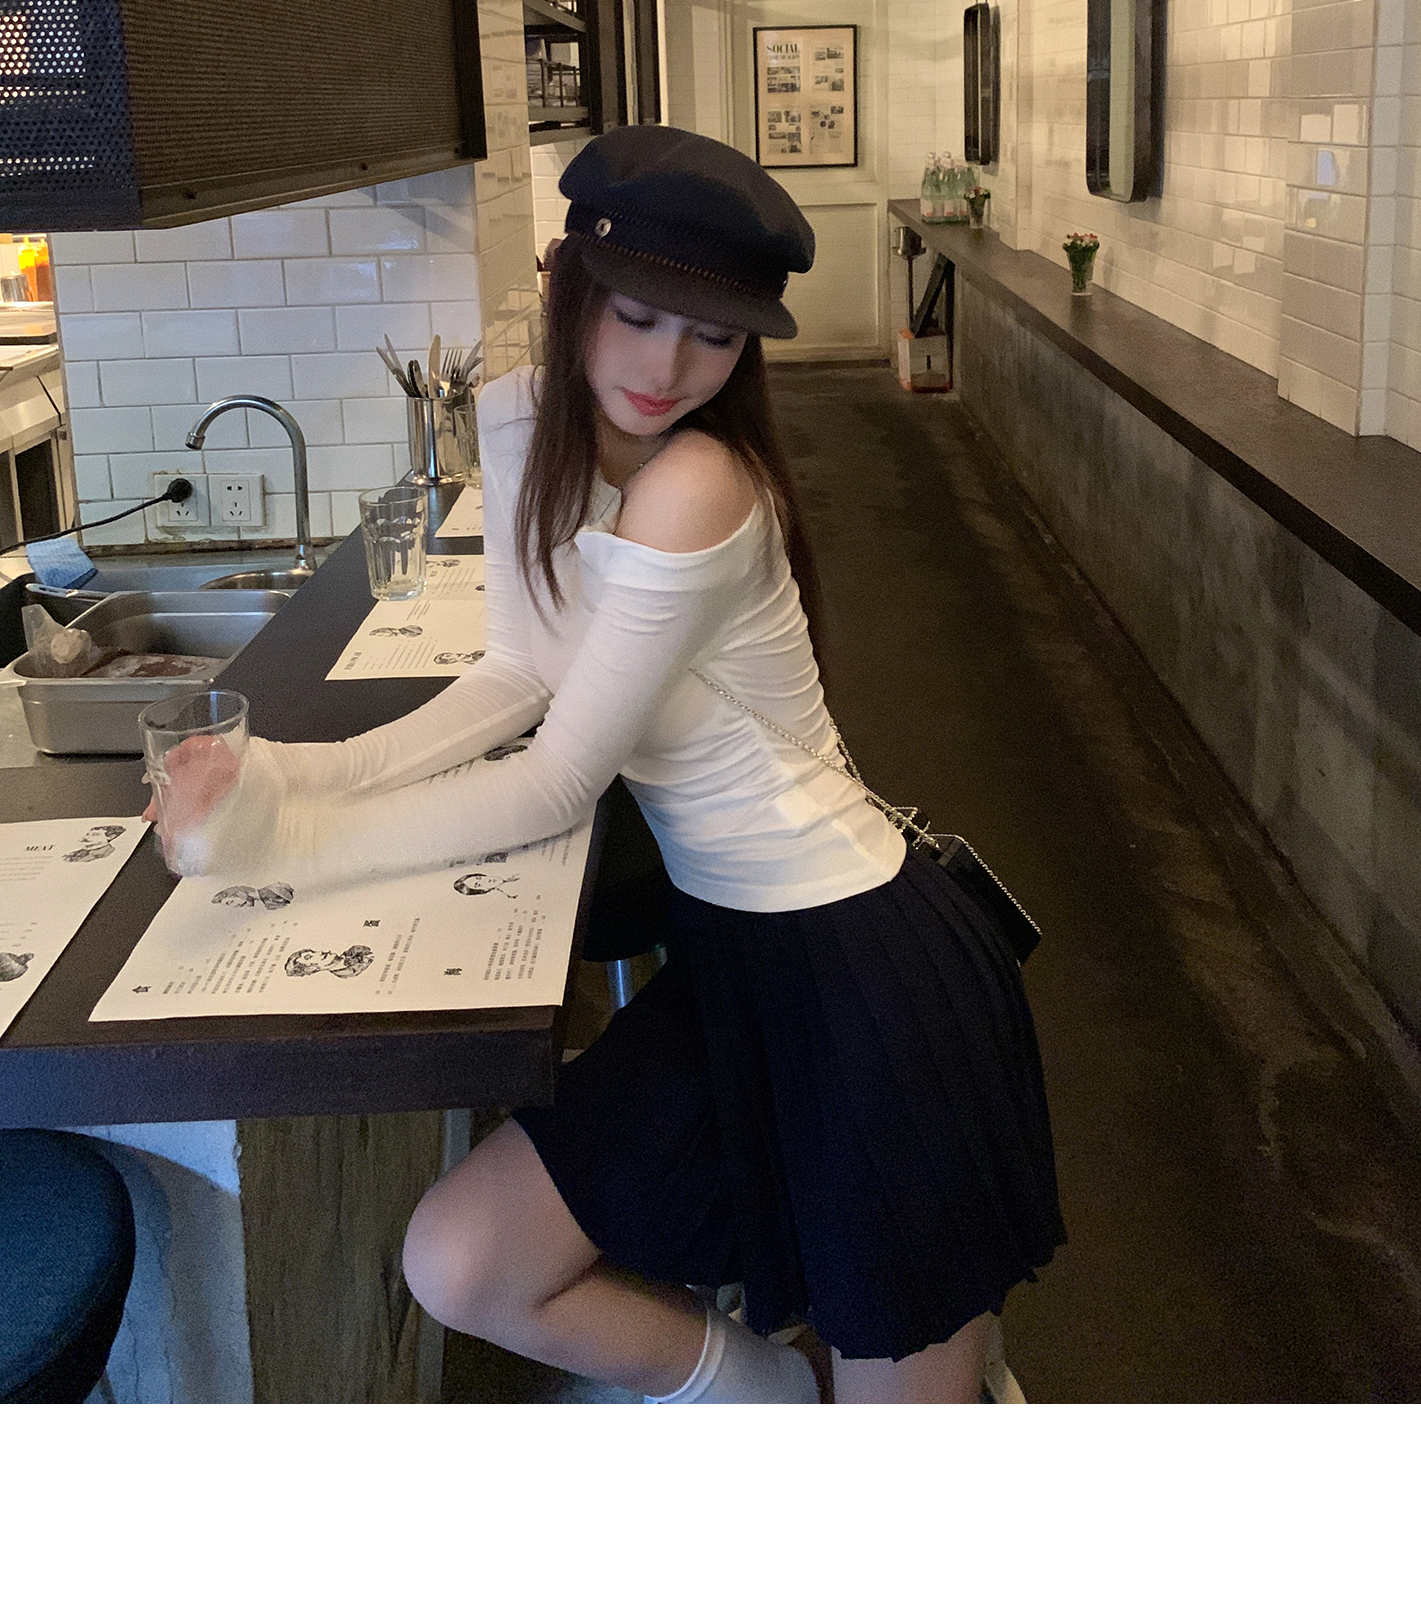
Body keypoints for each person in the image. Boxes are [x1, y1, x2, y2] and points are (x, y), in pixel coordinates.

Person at [152, 125, 1064, 1403]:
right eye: (636, 315)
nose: (667, 368)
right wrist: (289, 772)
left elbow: (556, 779)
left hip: (865, 971)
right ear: (569, 280)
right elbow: (517, 675)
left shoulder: (702, 480)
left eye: (716, 337)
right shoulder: (524, 417)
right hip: (737, 959)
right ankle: (772, 1395)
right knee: (464, 1256)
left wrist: (275, 837)